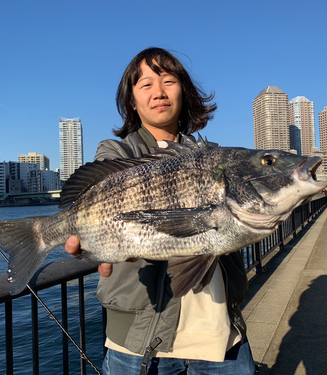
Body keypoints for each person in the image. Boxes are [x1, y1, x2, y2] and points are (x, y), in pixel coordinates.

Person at [65, 47, 256, 375]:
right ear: (132, 101)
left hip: (220, 334)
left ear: (184, 91)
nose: (159, 92)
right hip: (140, 342)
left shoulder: (212, 155)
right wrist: (93, 240)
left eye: (169, 81)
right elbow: (97, 204)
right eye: (146, 85)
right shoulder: (117, 153)